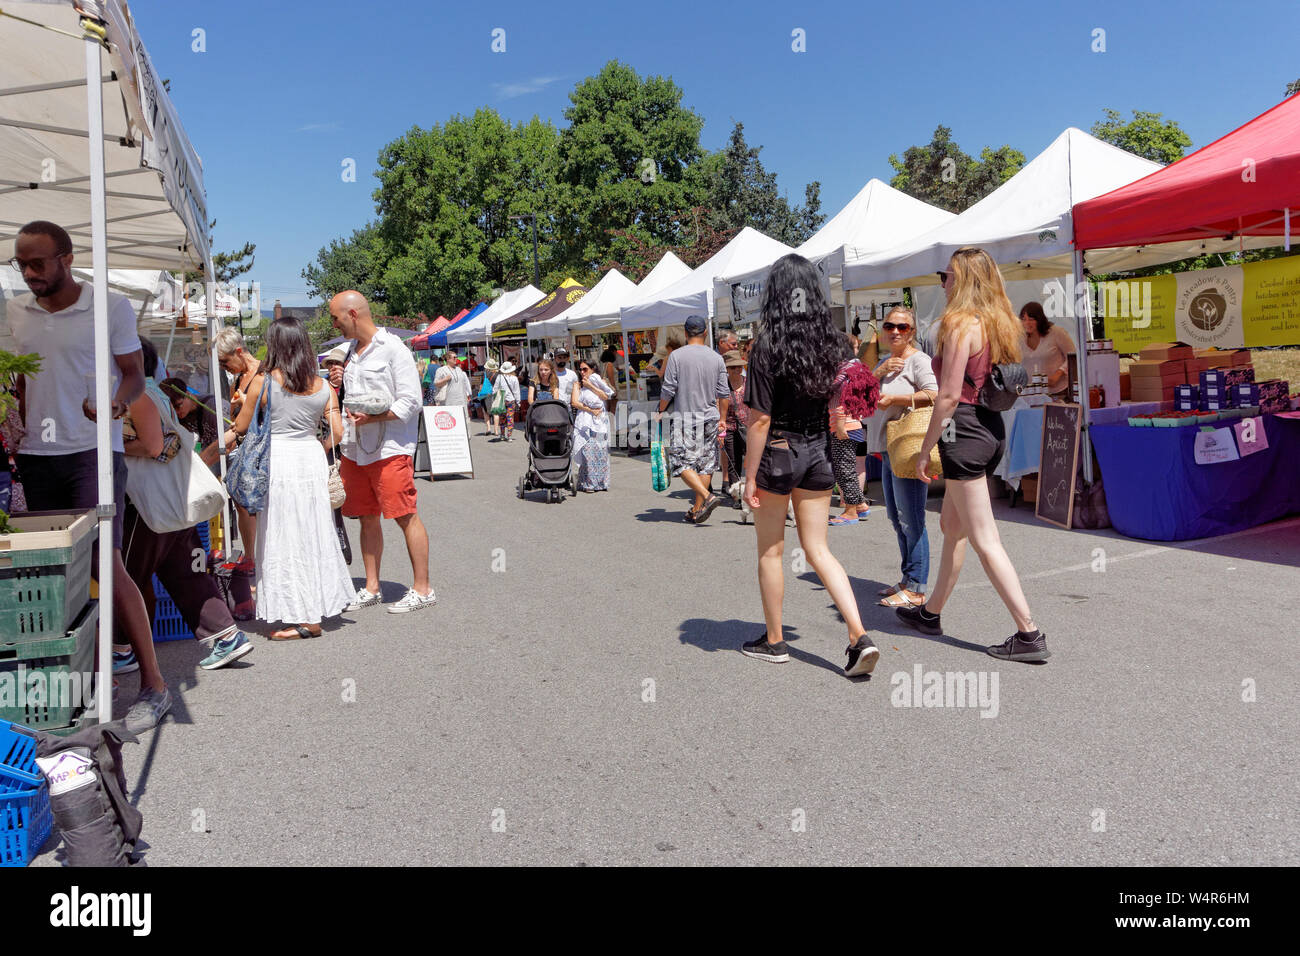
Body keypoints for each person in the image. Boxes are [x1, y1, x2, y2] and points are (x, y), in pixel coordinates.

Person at [6, 220, 169, 731]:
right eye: (21, 264)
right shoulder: (12, 311)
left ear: (67, 258)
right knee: (54, 572)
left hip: (91, 454)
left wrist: (118, 404)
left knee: (105, 562)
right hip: (34, 455)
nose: (29, 273)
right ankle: (77, 684)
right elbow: (15, 376)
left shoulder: (111, 307)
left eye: (38, 263)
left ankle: (154, 684)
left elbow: (133, 371)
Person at [902, 247, 1048, 662]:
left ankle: (1029, 633)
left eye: (945, 275)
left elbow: (947, 396)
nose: (942, 282)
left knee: (985, 539)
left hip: (961, 431)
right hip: (989, 427)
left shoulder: (959, 324)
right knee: (952, 526)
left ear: (962, 280)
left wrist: (924, 449)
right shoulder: (998, 322)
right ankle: (931, 613)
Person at [739, 254, 878, 677]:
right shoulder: (835, 342)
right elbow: (844, 402)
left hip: (779, 450)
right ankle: (859, 636)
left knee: (771, 551)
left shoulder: (766, 345)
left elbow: (760, 419)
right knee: (819, 550)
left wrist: (748, 475)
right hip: (819, 451)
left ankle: (776, 640)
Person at [121, 338, 253, 668]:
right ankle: (226, 635)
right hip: (174, 497)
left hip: (148, 501)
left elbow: (153, 446)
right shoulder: (156, 391)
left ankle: (121, 647)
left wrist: (114, 446)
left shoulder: (136, 394)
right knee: (187, 571)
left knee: (125, 577)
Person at [225, 318, 352, 639]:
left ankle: (305, 618)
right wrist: (314, 446)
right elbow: (337, 432)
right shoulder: (323, 386)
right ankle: (314, 606)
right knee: (312, 530)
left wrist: (238, 406)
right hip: (311, 458)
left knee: (282, 532)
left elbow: (240, 427)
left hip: (279, 461)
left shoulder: (264, 383)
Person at [327, 291, 436, 614]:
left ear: (353, 314)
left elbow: (411, 401)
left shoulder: (393, 349)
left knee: (404, 514)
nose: (334, 323)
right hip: (355, 447)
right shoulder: (348, 351)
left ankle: (423, 588)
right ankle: (372, 587)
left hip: (389, 448)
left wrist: (375, 416)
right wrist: (339, 383)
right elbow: (351, 395)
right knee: (366, 516)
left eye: (336, 317)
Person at [867, 307, 938, 608]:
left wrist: (897, 399)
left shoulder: (919, 360)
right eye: (890, 326)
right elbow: (860, 394)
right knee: (897, 518)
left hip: (907, 447)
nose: (895, 331)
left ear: (912, 332)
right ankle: (908, 579)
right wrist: (879, 373)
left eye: (903, 327)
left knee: (912, 518)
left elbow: (935, 394)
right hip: (888, 447)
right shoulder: (885, 362)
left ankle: (917, 586)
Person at [657, 316, 730, 524]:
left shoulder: (677, 356)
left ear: (685, 333)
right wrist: (723, 418)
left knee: (680, 462)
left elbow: (668, 389)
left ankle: (707, 497)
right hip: (710, 417)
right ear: (705, 332)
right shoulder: (716, 357)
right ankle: (697, 509)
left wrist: (660, 410)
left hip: (686, 418)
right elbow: (724, 393)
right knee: (705, 465)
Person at [213, 327, 265, 571]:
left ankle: (257, 557)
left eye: (224, 362)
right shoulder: (238, 379)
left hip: (262, 448)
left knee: (254, 503)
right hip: (244, 447)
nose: (224, 367)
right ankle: (250, 555)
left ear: (238, 351)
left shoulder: (264, 373)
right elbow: (237, 419)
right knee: (241, 502)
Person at [829, 334, 872, 526]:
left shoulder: (843, 373)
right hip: (850, 424)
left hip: (844, 425)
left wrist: (839, 425)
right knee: (847, 468)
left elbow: (841, 400)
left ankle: (851, 511)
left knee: (844, 469)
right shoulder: (851, 369)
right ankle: (860, 505)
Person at [571, 357, 615, 491]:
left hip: (600, 422)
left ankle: (601, 482)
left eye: (585, 369)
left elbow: (606, 396)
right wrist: (590, 409)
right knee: (587, 452)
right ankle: (588, 483)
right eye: (580, 369)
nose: (582, 372)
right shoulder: (577, 384)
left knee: (601, 452)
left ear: (593, 369)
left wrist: (590, 386)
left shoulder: (599, 381)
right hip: (585, 421)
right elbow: (574, 402)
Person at [1020, 301, 1076, 399]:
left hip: (1058, 393)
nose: (1027, 323)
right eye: (1024, 319)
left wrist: (1058, 374)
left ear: (1039, 319)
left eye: (1031, 319)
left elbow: (1073, 356)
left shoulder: (1056, 333)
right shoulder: (1019, 338)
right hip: (1030, 395)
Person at [719, 350, 748, 498]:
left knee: (751, 460)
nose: (737, 369)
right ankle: (736, 496)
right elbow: (717, 407)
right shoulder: (722, 385)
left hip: (747, 426)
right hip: (729, 427)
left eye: (739, 366)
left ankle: (752, 492)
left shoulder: (748, 382)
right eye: (733, 367)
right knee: (733, 462)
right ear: (727, 369)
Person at [493, 361, 522, 442]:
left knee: (502, 418)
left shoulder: (499, 377)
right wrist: (518, 402)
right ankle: (509, 436)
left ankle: (502, 435)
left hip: (502, 400)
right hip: (511, 400)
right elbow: (516, 391)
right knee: (510, 418)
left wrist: (495, 397)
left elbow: (495, 389)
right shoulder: (514, 378)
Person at [553, 347, 579, 416]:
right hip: (554, 409)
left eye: (564, 357)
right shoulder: (551, 374)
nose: (562, 360)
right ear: (555, 358)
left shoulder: (572, 375)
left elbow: (575, 392)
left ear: (567, 359)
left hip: (568, 410)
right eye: (559, 357)